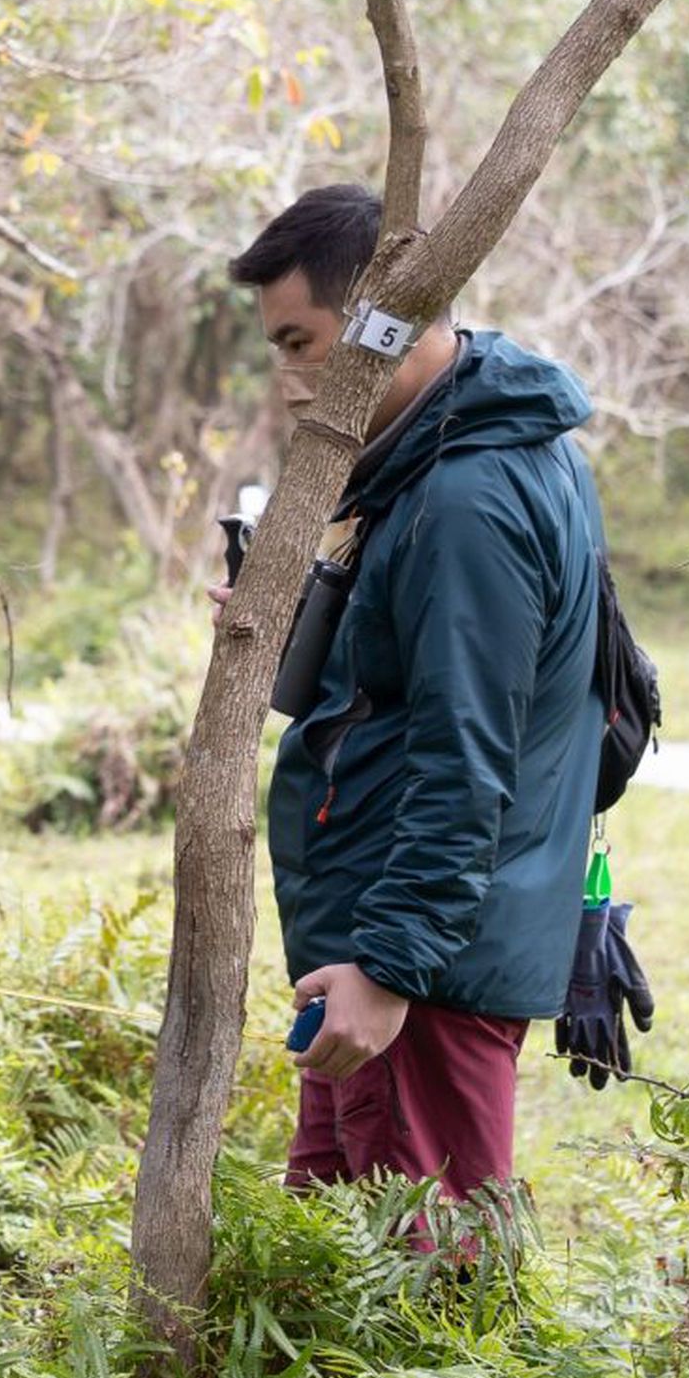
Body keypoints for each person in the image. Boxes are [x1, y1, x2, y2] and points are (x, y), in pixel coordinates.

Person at [221, 184, 606, 1198]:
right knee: (337, 1253)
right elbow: (410, 691)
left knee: (428, 1273)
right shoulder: (453, 457)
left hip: (416, 976)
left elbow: (466, 756)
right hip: (391, 954)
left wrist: (389, 969)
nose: (289, 381)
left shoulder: (466, 499)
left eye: (299, 343)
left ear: (378, 320)